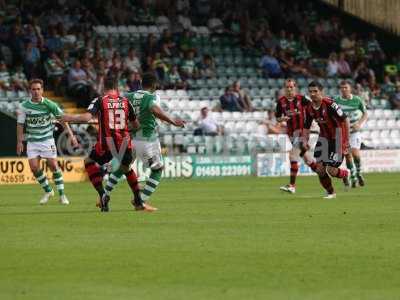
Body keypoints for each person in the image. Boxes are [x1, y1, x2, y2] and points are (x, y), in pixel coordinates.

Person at [61, 76, 156, 212]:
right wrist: (122, 128)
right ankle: (138, 201)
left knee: (88, 162)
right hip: (125, 143)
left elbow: (86, 118)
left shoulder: (100, 100)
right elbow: (136, 125)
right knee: (127, 169)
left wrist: (68, 118)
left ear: (104, 88)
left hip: (107, 144)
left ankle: (103, 195)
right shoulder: (125, 102)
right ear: (117, 87)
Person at [125, 73, 186, 203]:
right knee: (157, 170)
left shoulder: (128, 96)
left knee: (123, 167)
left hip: (131, 138)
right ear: (154, 85)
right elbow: (156, 111)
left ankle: (104, 193)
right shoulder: (151, 97)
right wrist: (173, 121)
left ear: (141, 83)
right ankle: (141, 199)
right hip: (147, 139)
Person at [16, 78, 77, 205]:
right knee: (33, 167)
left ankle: (62, 195)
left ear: (42, 90)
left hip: (47, 140)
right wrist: (19, 141)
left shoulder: (50, 104)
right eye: (33, 89)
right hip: (32, 141)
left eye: (38, 89)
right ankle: (48, 191)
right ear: (30, 91)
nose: (36, 92)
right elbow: (20, 125)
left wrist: (71, 136)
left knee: (54, 166)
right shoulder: (23, 106)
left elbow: (62, 120)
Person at [302, 81, 350, 199]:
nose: (313, 94)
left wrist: (346, 141)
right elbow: (306, 127)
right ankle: (330, 192)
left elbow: (345, 120)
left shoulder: (330, 104)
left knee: (332, 170)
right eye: (310, 92)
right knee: (320, 169)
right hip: (323, 138)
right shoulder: (308, 108)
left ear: (321, 92)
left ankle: (345, 174)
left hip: (338, 138)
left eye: (315, 91)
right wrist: (305, 141)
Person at [275, 79, 316, 194]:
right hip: (292, 134)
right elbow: (277, 117)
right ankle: (326, 174)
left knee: (293, 156)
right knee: (308, 160)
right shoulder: (281, 102)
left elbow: (312, 109)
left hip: (303, 132)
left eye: (291, 87)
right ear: (284, 88)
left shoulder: (301, 99)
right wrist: (282, 119)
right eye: (287, 87)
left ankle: (292, 185)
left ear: (295, 88)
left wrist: (312, 122)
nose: (289, 89)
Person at [334, 81, 368, 187]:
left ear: (350, 89)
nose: (344, 89)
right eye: (342, 88)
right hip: (343, 132)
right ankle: (353, 176)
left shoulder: (357, 100)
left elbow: (365, 113)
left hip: (354, 132)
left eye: (346, 87)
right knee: (347, 154)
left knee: (355, 154)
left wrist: (359, 123)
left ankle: (358, 172)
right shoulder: (336, 101)